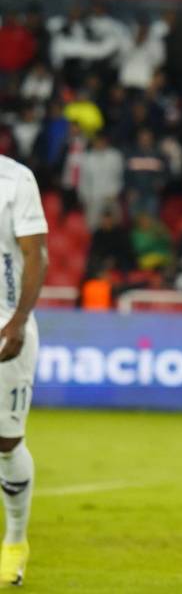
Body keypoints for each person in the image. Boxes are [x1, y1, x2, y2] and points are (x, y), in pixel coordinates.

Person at [0, 155, 49, 586]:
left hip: (3, 325)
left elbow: (36, 254)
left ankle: (15, 540)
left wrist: (16, 322)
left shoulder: (15, 179)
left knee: (6, 442)